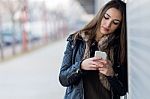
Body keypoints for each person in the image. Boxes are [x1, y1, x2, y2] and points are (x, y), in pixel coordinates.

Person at [59, 0, 128, 99]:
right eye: (106, 17)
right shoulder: (76, 40)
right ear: (100, 15)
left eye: (115, 22)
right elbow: (63, 78)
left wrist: (111, 74)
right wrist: (81, 66)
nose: (108, 24)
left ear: (120, 26)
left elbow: (122, 90)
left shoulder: (119, 47)